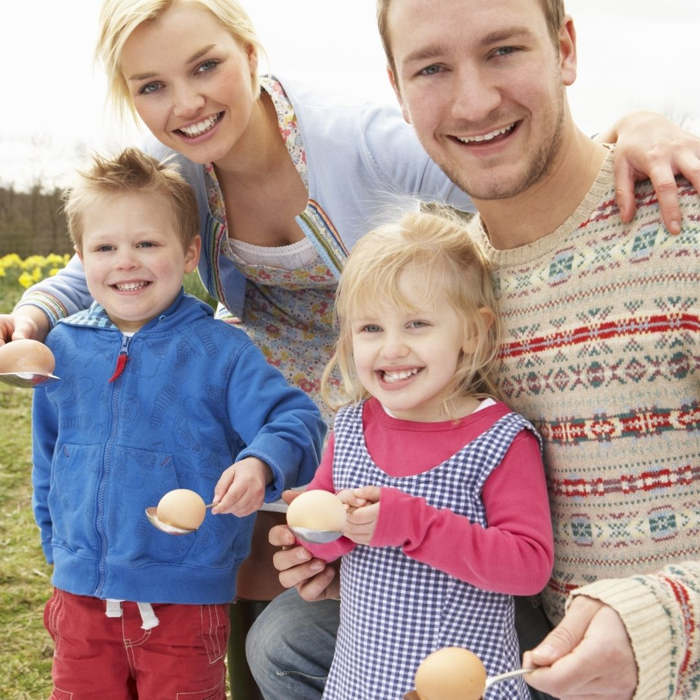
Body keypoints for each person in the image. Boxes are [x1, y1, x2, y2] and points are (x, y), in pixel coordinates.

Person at [249, 1, 700, 699]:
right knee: (288, 639)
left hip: (671, 662)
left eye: (503, 51)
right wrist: (355, 549)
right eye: (432, 66)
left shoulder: (681, 228)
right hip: (534, 638)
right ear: (398, 90)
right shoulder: (453, 289)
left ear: (566, 49)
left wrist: (667, 617)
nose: (474, 100)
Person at [31, 147, 324, 698]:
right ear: (79, 255)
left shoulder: (222, 351)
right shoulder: (62, 350)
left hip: (186, 600)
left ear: (190, 253)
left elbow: (298, 418)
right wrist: (59, 551)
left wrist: (262, 463)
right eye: (105, 247)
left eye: (147, 243)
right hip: (79, 599)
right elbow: (48, 458)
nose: (126, 261)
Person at [297, 209, 554, 699]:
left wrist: (412, 524)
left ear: (472, 333)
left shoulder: (498, 439)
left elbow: (528, 566)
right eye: (370, 328)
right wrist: (325, 530)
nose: (391, 348)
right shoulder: (350, 427)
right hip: (360, 683)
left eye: (416, 324)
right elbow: (318, 538)